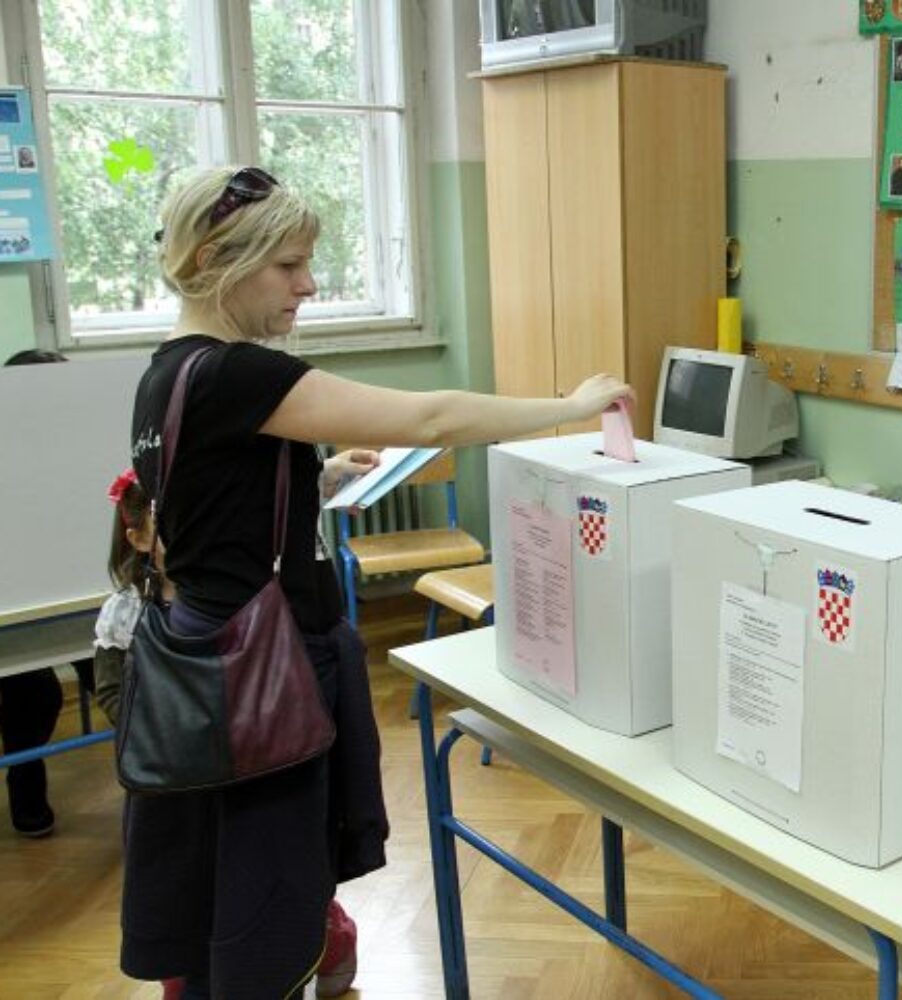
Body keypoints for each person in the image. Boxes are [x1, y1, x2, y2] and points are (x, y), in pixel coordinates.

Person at [121, 165, 632, 999]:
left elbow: (205, 509)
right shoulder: (235, 373)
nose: (307, 285)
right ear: (216, 260)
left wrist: (315, 480)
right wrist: (567, 406)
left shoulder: (168, 372)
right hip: (263, 677)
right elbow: (431, 418)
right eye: (288, 265)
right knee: (266, 887)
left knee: (230, 875)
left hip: (216, 659)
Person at [1, 348, 97, 839]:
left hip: (86, 600)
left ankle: (156, 786)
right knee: (33, 693)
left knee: (120, 674)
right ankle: (26, 792)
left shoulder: (83, 452)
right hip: (17, 612)